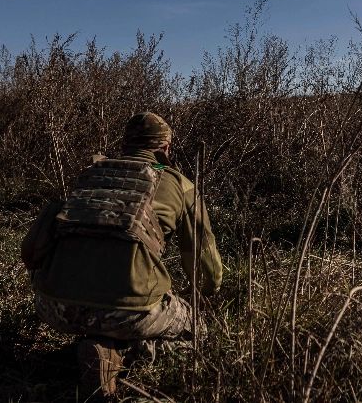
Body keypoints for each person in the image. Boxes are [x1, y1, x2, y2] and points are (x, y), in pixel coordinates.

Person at [21, 112, 222, 397]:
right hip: (128, 313)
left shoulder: (92, 173)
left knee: (102, 312)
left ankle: (98, 344)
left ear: (125, 145)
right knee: (197, 328)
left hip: (53, 307)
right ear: (165, 147)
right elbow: (206, 270)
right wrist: (206, 294)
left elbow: (32, 252)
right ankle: (124, 354)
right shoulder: (180, 184)